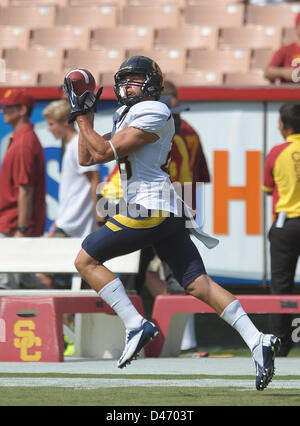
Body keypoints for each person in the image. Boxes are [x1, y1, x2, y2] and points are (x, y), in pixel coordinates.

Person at [63, 55, 280, 390]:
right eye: (124, 79)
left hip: (149, 207)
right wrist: (85, 116)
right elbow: (85, 157)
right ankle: (257, 340)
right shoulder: (126, 112)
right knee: (198, 284)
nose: (127, 85)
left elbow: (104, 152)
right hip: (165, 210)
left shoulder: (156, 110)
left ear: (150, 83)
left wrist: (81, 116)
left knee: (86, 259)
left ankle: (135, 323)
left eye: (134, 79)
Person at [263, 103, 300, 357]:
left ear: (285, 127)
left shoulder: (278, 151)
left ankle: (280, 345)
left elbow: (267, 189)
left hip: (286, 224)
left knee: (281, 286)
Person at [0, 88, 46, 289]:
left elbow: (25, 189)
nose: (3, 111)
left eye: (7, 107)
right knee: (26, 283)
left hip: (13, 225)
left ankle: (64, 315)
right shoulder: (20, 139)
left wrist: (21, 228)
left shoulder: (24, 142)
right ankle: (63, 316)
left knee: (6, 286)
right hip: (12, 223)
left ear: (22, 110)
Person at [264, 12, 300, 84]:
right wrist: (284, 72)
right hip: (289, 91)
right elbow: (268, 72)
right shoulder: (285, 50)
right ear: (296, 27)